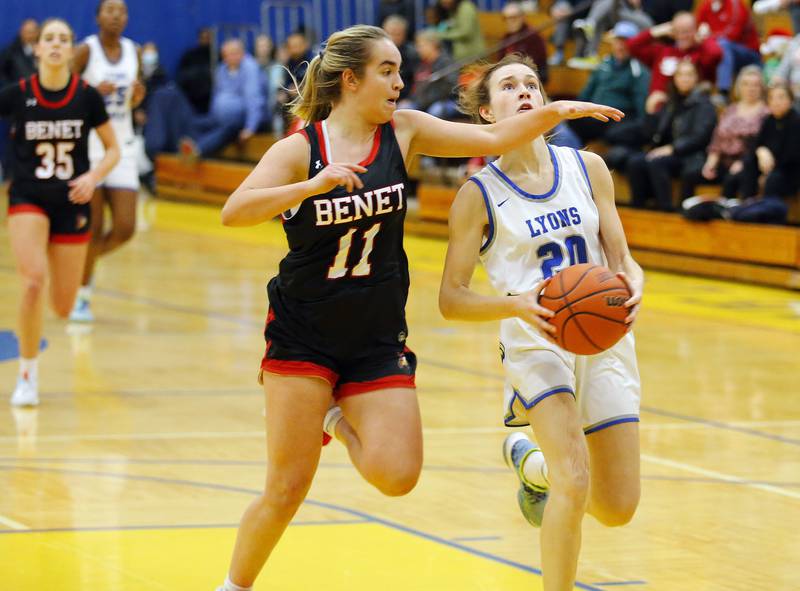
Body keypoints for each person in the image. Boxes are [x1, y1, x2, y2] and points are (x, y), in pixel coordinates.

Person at [215, 25, 623, 591]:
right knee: (286, 489)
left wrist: (557, 110)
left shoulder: (403, 132)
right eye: (387, 71)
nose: (400, 82)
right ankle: (234, 585)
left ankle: (332, 413)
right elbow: (235, 211)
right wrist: (309, 188)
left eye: (400, 69)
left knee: (399, 476)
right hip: (304, 332)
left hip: (376, 335)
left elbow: (492, 139)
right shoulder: (300, 150)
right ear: (350, 79)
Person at [438, 53, 643, 591]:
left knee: (618, 507)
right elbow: (451, 300)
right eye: (509, 86)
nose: (525, 91)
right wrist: (516, 304)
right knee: (574, 480)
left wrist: (633, 282)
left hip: (605, 339)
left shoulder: (589, 168)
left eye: (532, 83)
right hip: (535, 341)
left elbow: (621, 258)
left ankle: (531, 466)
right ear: (486, 113)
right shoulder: (477, 195)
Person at [0, 18, 119, 406]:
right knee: (32, 281)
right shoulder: (17, 94)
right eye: (48, 39)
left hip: (72, 201)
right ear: (37, 49)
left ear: (71, 50)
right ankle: (27, 375)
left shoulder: (86, 96)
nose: (54, 45)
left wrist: (93, 176)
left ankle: (57, 297)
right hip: (28, 197)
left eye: (62, 39)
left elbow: (113, 149)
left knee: (63, 306)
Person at [70, 0, 144, 322]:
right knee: (94, 226)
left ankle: (74, 265)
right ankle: (81, 296)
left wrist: (139, 96)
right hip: (90, 147)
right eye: (110, 10)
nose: (116, 16)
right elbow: (63, 92)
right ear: (98, 16)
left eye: (122, 11)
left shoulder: (134, 52)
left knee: (126, 227)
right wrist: (89, 92)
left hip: (123, 146)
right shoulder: (85, 51)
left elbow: (134, 97)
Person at [626, 59, 717, 211]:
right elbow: (650, 134)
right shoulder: (671, 102)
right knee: (635, 162)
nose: (684, 79)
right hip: (668, 153)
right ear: (675, 79)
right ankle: (639, 209)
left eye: (689, 75)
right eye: (680, 75)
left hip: (691, 156)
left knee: (656, 162)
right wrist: (650, 112)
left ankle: (665, 210)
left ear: (696, 79)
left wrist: (672, 149)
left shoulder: (704, 104)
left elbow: (700, 137)